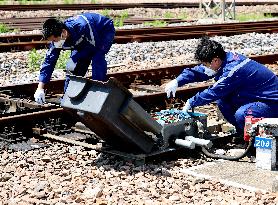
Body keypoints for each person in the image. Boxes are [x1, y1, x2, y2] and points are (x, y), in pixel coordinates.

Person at [165, 37, 278, 134]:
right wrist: (177, 81)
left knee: (242, 115)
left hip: (272, 102)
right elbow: (199, 71)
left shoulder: (233, 70)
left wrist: (191, 102)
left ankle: (255, 142)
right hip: (255, 96)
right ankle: (243, 132)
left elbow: (214, 92)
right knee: (223, 101)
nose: (204, 67)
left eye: (205, 64)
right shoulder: (224, 59)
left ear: (215, 61)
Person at [34, 13, 115, 104]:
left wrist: (82, 59)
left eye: (54, 40)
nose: (53, 43)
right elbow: (49, 61)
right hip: (84, 39)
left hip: (103, 31)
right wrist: (40, 87)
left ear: (63, 33)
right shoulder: (58, 37)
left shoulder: (83, 26)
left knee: (97, 59)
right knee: (72, 66)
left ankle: (99, 94)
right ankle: (68, 97)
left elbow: (93, 48)